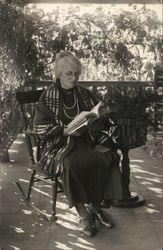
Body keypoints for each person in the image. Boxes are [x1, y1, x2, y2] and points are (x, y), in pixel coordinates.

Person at [33, 51, 122, 237]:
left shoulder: (84, 93)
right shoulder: (48, 96)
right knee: (71, 165)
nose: (74, 78)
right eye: (69, 74)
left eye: (77, 74)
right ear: (59, 74)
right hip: (60, 144)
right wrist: (63, 130)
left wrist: (98, 118)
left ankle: (95, 207)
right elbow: (40, 128)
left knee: (111, 156)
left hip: (88, 140)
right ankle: (82, 215)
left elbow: (101, 118)